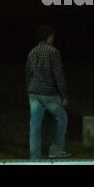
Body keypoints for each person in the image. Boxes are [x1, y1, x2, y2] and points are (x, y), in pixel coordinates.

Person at [26, 25, 71, 159]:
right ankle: (56, 150)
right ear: (50, 36)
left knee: (34, 124)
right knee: (62, 118)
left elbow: (28, 74)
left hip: (34, 92)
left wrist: (29, 90)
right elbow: (58, 75)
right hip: (48, 93)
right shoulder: (53, 52)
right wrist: (64, 95)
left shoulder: (32, 52)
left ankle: (34, 157)